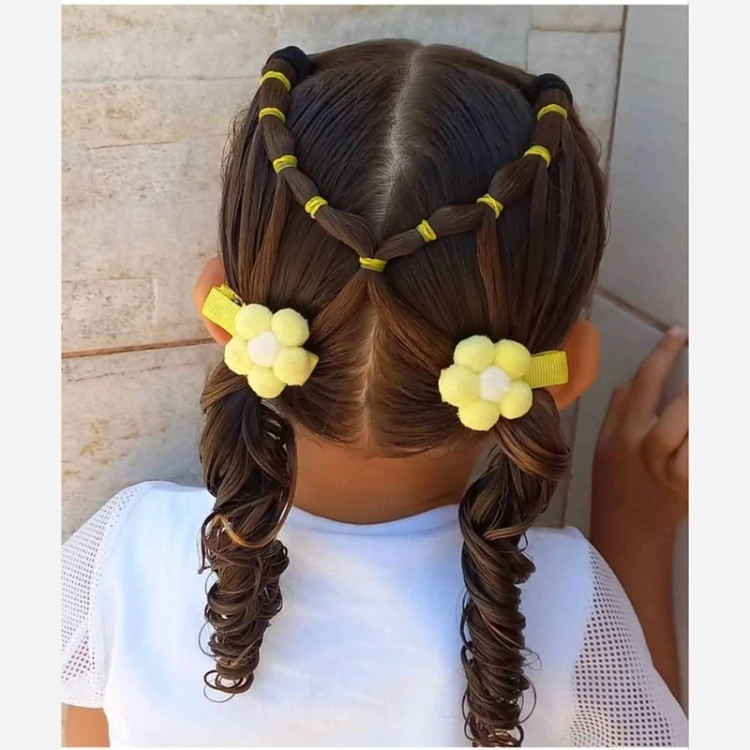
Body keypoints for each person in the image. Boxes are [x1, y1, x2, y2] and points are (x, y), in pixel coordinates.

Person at [61, 41, 688, 747]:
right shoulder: (568, 606)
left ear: (220, 311)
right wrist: (638, 534)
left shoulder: (124, 556)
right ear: (566, 372)